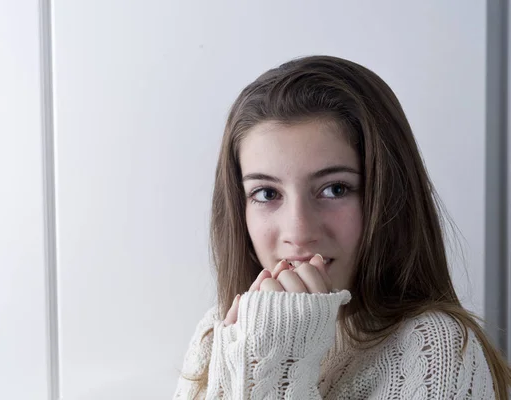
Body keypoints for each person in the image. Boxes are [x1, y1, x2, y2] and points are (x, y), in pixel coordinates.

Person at [172, 55, 511, 399]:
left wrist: (275, 368)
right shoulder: (218, 331)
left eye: (335, 189)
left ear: (388, 196)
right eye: (267, 193)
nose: (299, 232)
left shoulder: (435, 348)